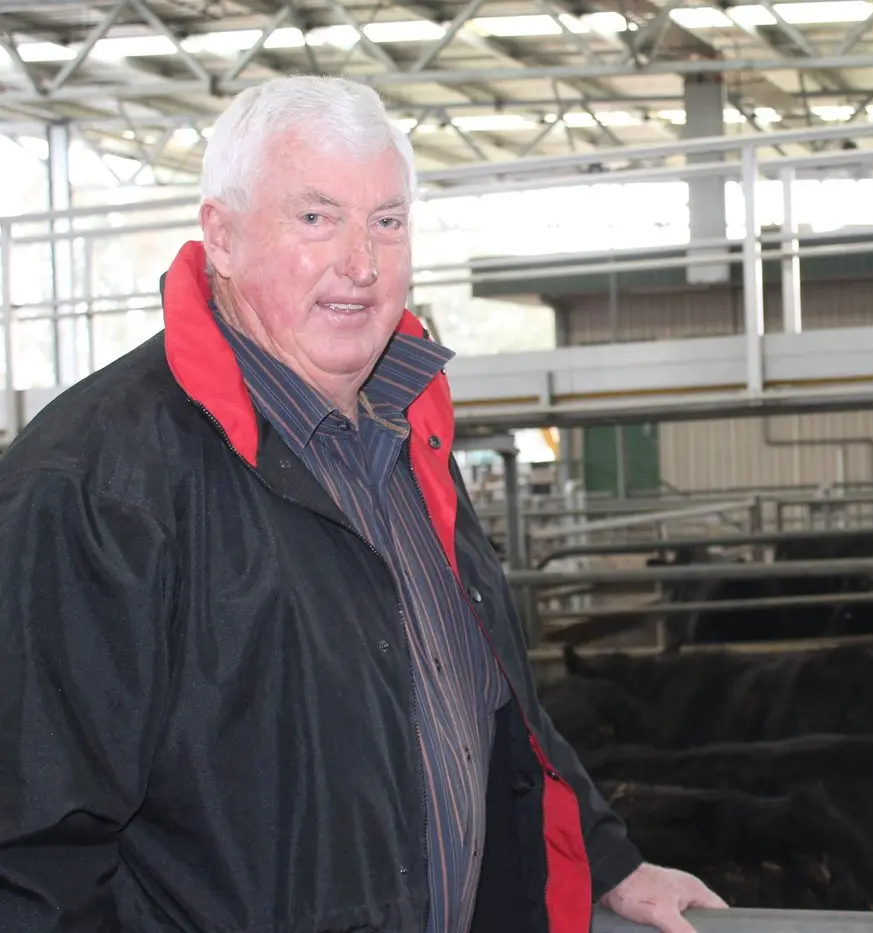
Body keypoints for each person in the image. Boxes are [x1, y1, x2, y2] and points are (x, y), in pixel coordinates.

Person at [0, 75, 725, 933]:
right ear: (221, 237)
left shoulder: (402, 433)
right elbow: (32, 853)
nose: (361, 264)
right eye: (316, 218)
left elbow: (484, 698)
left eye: (387, 220)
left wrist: (607, 861)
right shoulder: (97, 482)